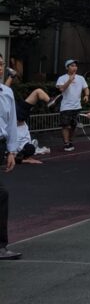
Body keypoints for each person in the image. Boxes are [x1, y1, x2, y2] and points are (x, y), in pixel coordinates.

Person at [0, 74, 22, 258]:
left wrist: (12, 151)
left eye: (0, 64)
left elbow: (11, 122)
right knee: (1, 194)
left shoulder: (6, 92)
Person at [55, 58, 89, 152]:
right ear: (67, 67)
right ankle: (66, 143)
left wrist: (86, 95)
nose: (75, 67)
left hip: (77, 106)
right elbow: (61, 89)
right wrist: (69, 80)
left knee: (74, 126)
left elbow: (86, 88)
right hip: (66, 107)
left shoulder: (81, 78)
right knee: (65, 126)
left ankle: (70, 141)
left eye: (75, 66)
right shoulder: (62, 78)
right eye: (72, 66)